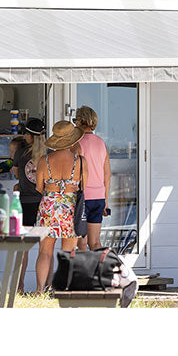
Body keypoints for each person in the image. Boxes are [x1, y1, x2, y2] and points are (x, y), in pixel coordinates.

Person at [34, 120, 87, 292]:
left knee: (44, 251)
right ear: (72, 140)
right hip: (69, 208)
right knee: (67, 252)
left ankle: (40, 289)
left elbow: (39, 188)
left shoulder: (44, 160)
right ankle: (63, 289)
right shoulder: (81, 161)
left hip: (49, 205)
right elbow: (83, 187)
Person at [10, 118, 46, 293]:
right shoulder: (50, 152)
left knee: (22, 248)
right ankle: (44, 287)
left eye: (25, 133)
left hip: (25, 203)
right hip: (45, 203)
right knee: (46, 248)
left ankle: (19, 286)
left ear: (30, 135)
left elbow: (16, 173)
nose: (23, 136)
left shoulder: (21, 153)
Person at [74, 105, 111, 252]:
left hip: (83, 198)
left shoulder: (77, 144)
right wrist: (105, 200)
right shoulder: (101, 143)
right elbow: (107, 175)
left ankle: (86, 274)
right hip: (99, 198)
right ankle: (101, 273)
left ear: (79, 121)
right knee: (95, 243)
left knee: (81, 243)